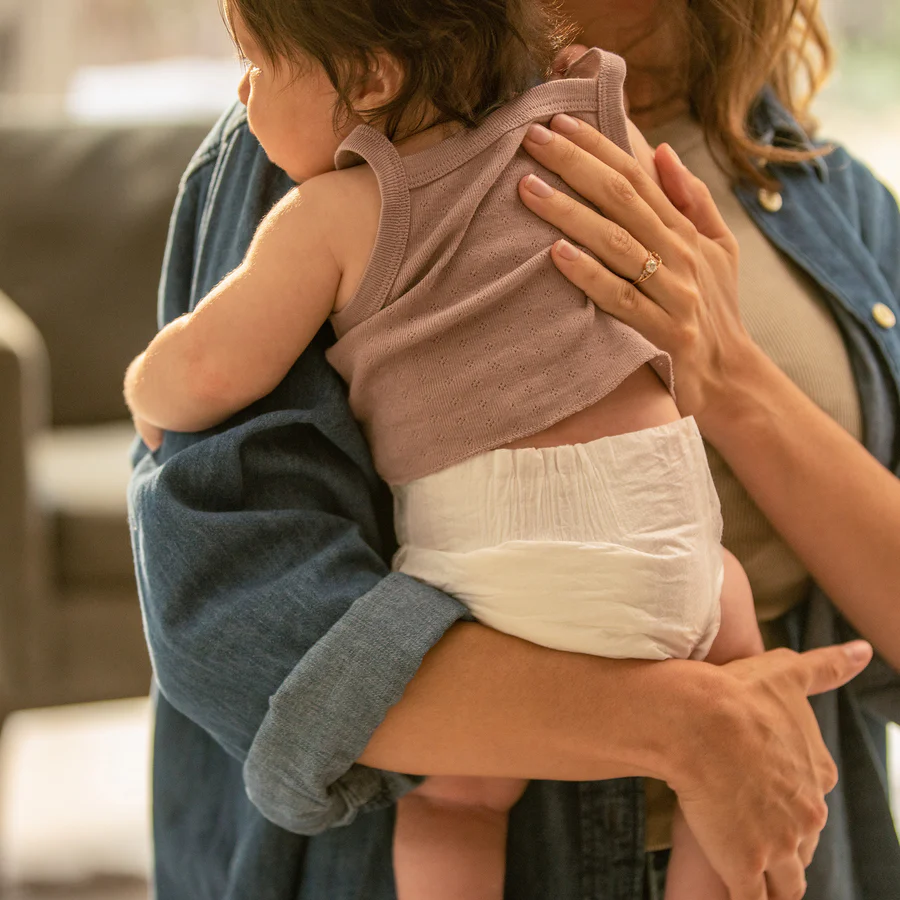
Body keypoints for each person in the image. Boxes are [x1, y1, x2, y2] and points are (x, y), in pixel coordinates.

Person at [126, 3, 899, 900]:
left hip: (796, 842)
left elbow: (198, 374)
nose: (245, 87)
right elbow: (239, 615)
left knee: (460, 809)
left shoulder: (824, 189)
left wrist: (733, 380)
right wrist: (681, 726)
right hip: (407, 852)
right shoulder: (323, 119)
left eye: (255, 63)